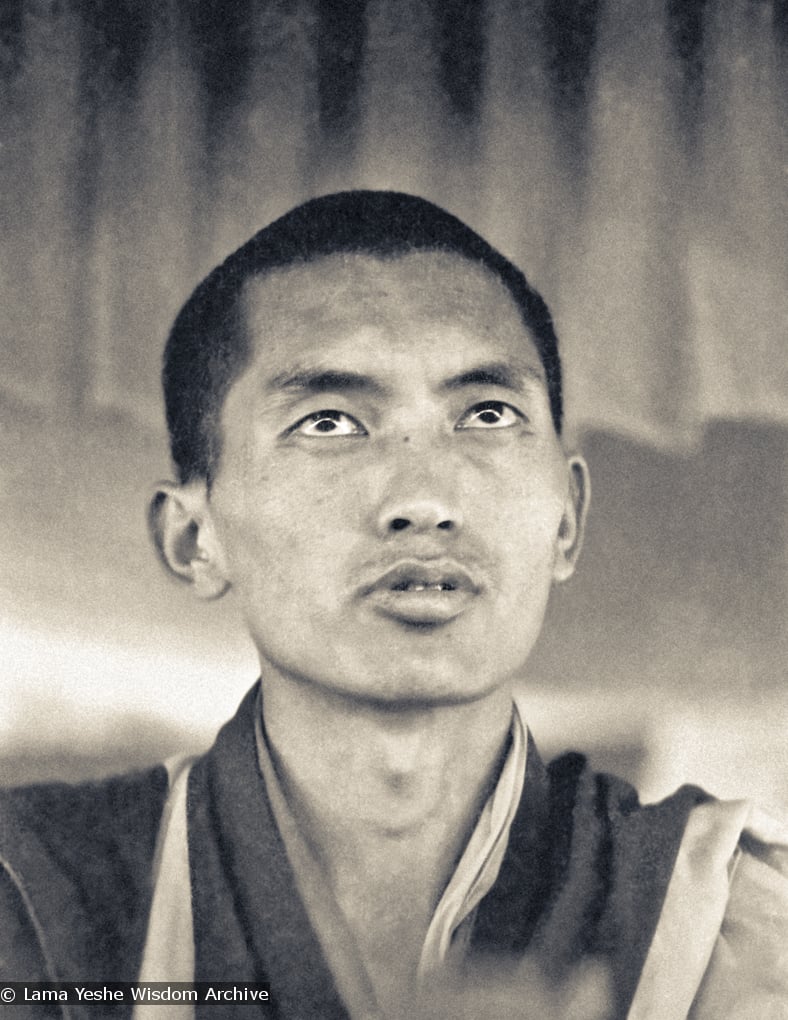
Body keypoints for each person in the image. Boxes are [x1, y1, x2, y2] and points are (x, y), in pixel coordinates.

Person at [1, 192, 786, 1019]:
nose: (423, 499)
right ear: (196, 539)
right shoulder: (36, 896)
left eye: (487, 415)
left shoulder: (725, 910)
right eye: (330, 422)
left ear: (568, 518)